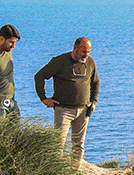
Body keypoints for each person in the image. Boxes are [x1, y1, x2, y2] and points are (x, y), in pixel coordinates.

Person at [34, 37, 100, 165]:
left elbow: (96, 82)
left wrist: (94, 101)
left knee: (79, 145)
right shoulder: (59, 61)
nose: (86, 55)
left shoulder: (90, 62)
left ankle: (75, 173)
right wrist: (43, 98)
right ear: (75, 48)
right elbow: (39, 76)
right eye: (83, 51)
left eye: (88, 52)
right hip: (63, 110)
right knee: (58, 145)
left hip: (83, 110)